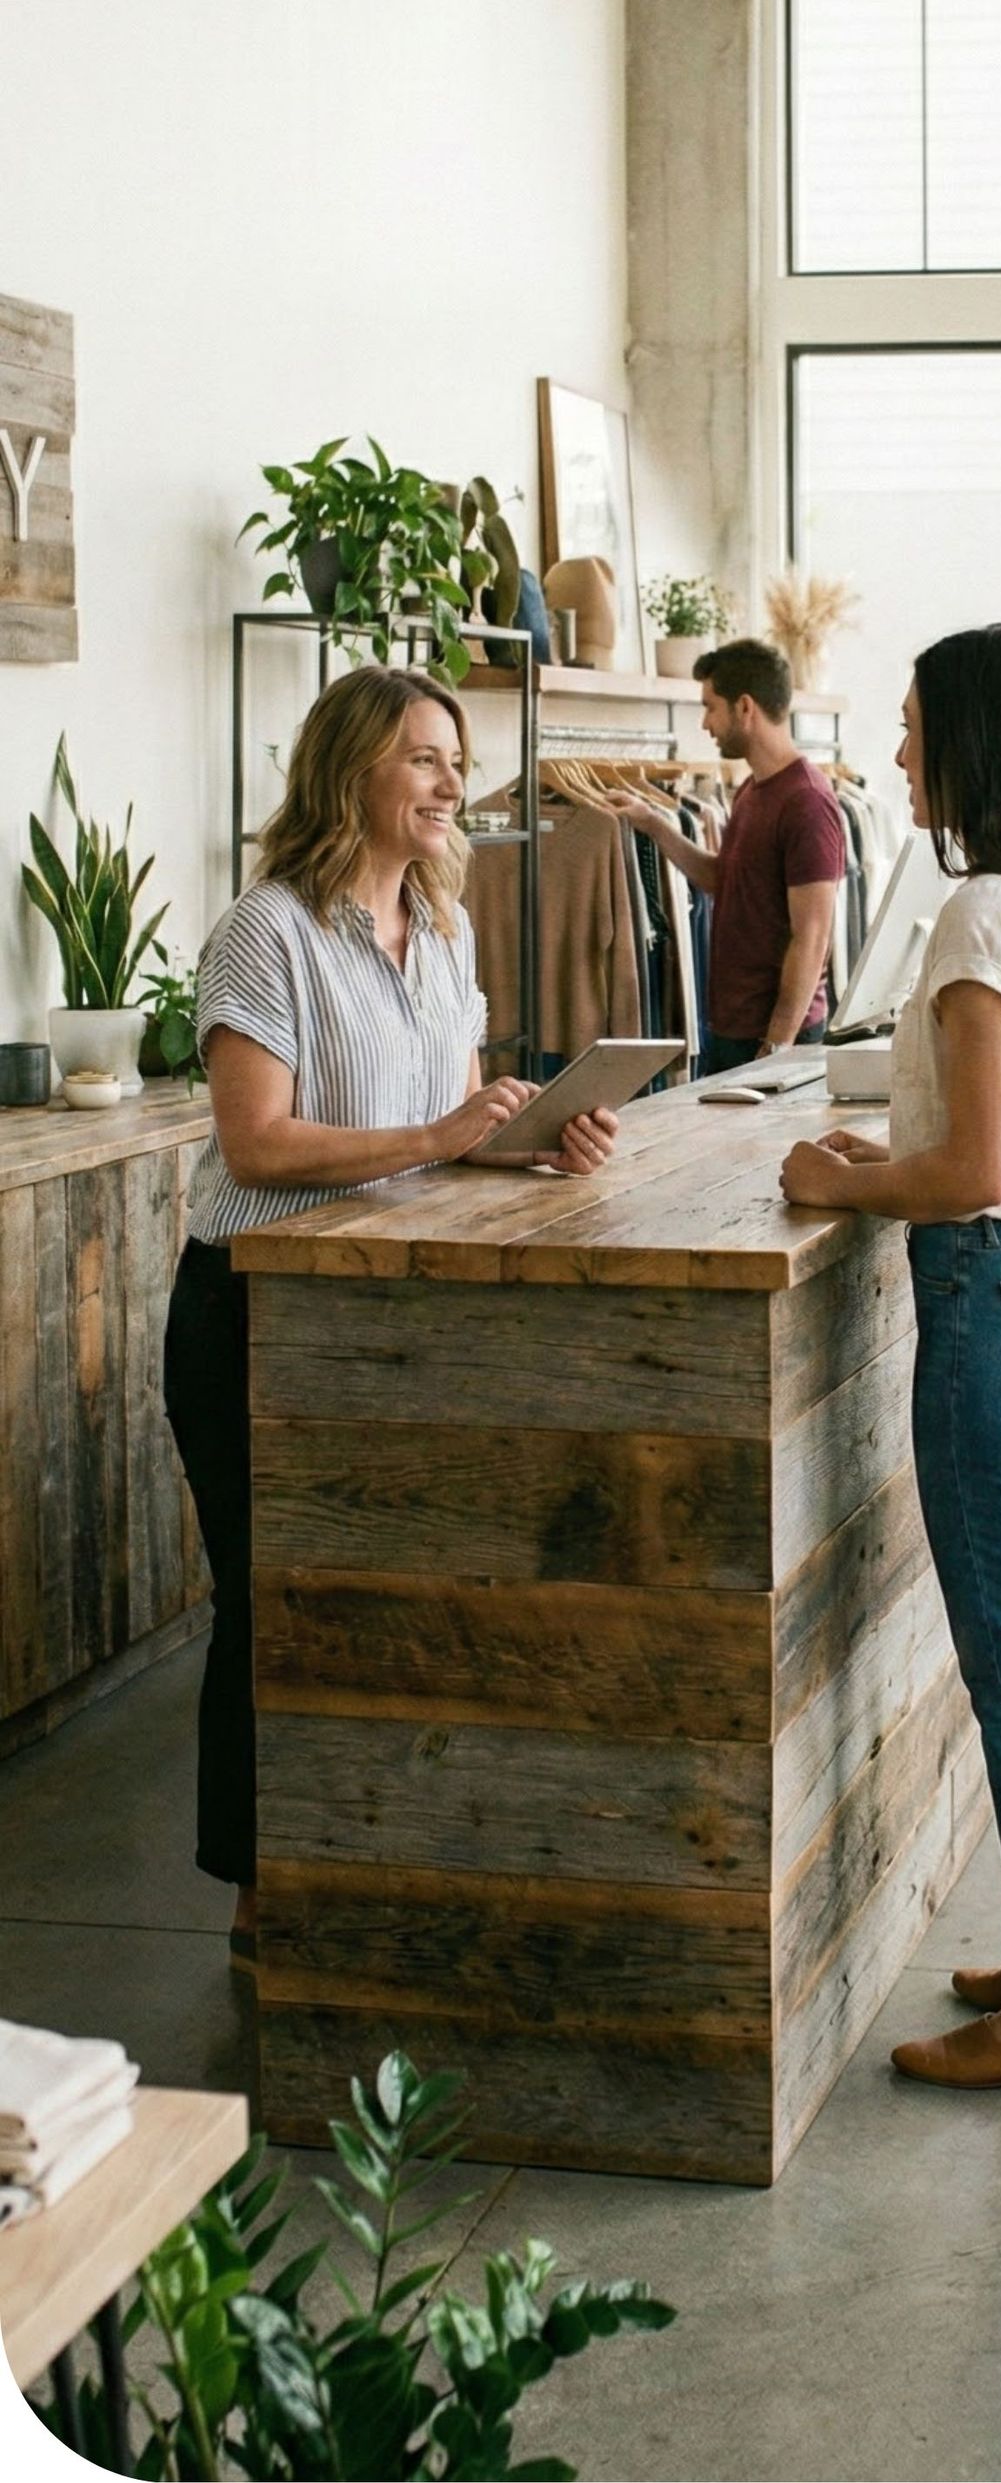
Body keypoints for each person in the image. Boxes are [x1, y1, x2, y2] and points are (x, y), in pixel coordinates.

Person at [163, 666, 620, 1953]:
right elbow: (255, 1144)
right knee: (273, 1599)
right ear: (350, 770)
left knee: (376, 1597)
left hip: (387, 1319)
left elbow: (444, 1128)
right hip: (254, 1315)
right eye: (422, 755)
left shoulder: (448, 929)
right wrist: (431, 1130)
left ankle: (366, 1861)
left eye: (454, 761)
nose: (448, 781)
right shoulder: (268, 930)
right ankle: (263, 1897)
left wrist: (523, 1140)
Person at [779, 625, 1001, 2093]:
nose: (906, 749)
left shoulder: (985, 910)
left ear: (978, 741)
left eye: (921, 724)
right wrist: (905, 1154)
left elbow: (981, 1170)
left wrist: (841, 1179)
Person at [609, 635, 845, 1071]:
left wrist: (777, 1046)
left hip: (773, 1037)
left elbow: (812, 938)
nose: (705, 724)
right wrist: (654, 824)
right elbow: (722, 881)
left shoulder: (807, 801)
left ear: (745, 708)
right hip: (733, 1029)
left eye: (710, 706)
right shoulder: (752, 792)